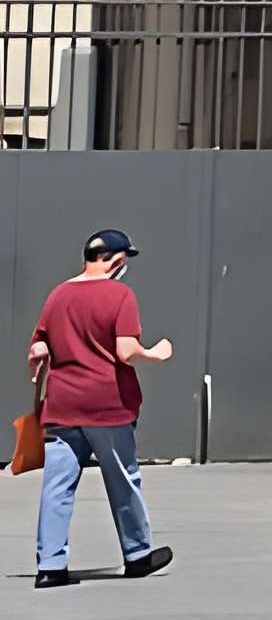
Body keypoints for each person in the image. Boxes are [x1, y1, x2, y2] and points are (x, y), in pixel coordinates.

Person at [25, 230, 174, 588]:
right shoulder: (119, 295)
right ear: (117, 260)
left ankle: (51, 566)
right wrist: (156, 352)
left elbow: (40, 346)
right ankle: (137, 555)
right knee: (123, 480)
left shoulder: (58, 295)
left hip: (62, 406)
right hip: (107, 406)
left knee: (56, 488)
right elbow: (125, 350)